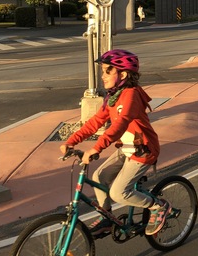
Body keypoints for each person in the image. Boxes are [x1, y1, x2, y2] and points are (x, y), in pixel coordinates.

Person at [60, 49, 171, 237]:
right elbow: (96, 122)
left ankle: (158, 206)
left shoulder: (132, 95)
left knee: (118, 193)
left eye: (108, 71)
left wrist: (96, 148)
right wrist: (72, 141)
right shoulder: (114, 96)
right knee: (98, 177)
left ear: (124, 74)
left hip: (143, 150)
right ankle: (106, 217)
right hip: (126, 148)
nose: (103, 76)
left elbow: (120, 124)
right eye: (103, 71)